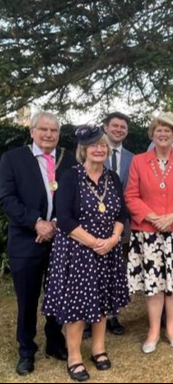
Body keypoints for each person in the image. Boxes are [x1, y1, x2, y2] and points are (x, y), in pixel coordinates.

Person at [42, 125, 130, 382]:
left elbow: (121, 213)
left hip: (107, 251)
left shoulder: (112, 177)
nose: (100, 149)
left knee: (102, 301)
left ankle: (98, 349)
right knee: (76, 308)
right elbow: (66, 220)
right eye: (94, 145)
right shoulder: (70, 177)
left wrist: (113, 238)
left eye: (103, 145)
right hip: (77, 252)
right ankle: (73, 357)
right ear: (84, 149)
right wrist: (95, 242)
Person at [0, 111, 76, 376]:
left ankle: (54, 342)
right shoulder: (12, 159)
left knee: (58, 295)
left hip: (60, 240)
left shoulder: (68, 160)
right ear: (31, 131)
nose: (48, 135)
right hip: (26, 241)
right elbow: (7, 198)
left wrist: (55, 223)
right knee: (27, 299)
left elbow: (74, 198)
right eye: (43, 129)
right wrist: (36, 222)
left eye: (53, 131)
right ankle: (26, 350)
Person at [125, 112, 173, 354]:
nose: (163, 133)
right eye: (159, 129)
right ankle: (153, 331)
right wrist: (152, 217)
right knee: (153, 283)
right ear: (152, 133)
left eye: (168, 129)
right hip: (148, 233)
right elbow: (130, 195)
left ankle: (171, 329)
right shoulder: (138, 160)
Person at [99, 111, 134, 337]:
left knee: (116, 270)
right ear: (105, 127)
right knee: (93, 270)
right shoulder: (94, 151)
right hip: (95, 222)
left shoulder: (133, 158)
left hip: (124, 221)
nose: (119, 130)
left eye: (123, 127)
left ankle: (113, 315)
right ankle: (90, 314)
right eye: (115, 126)